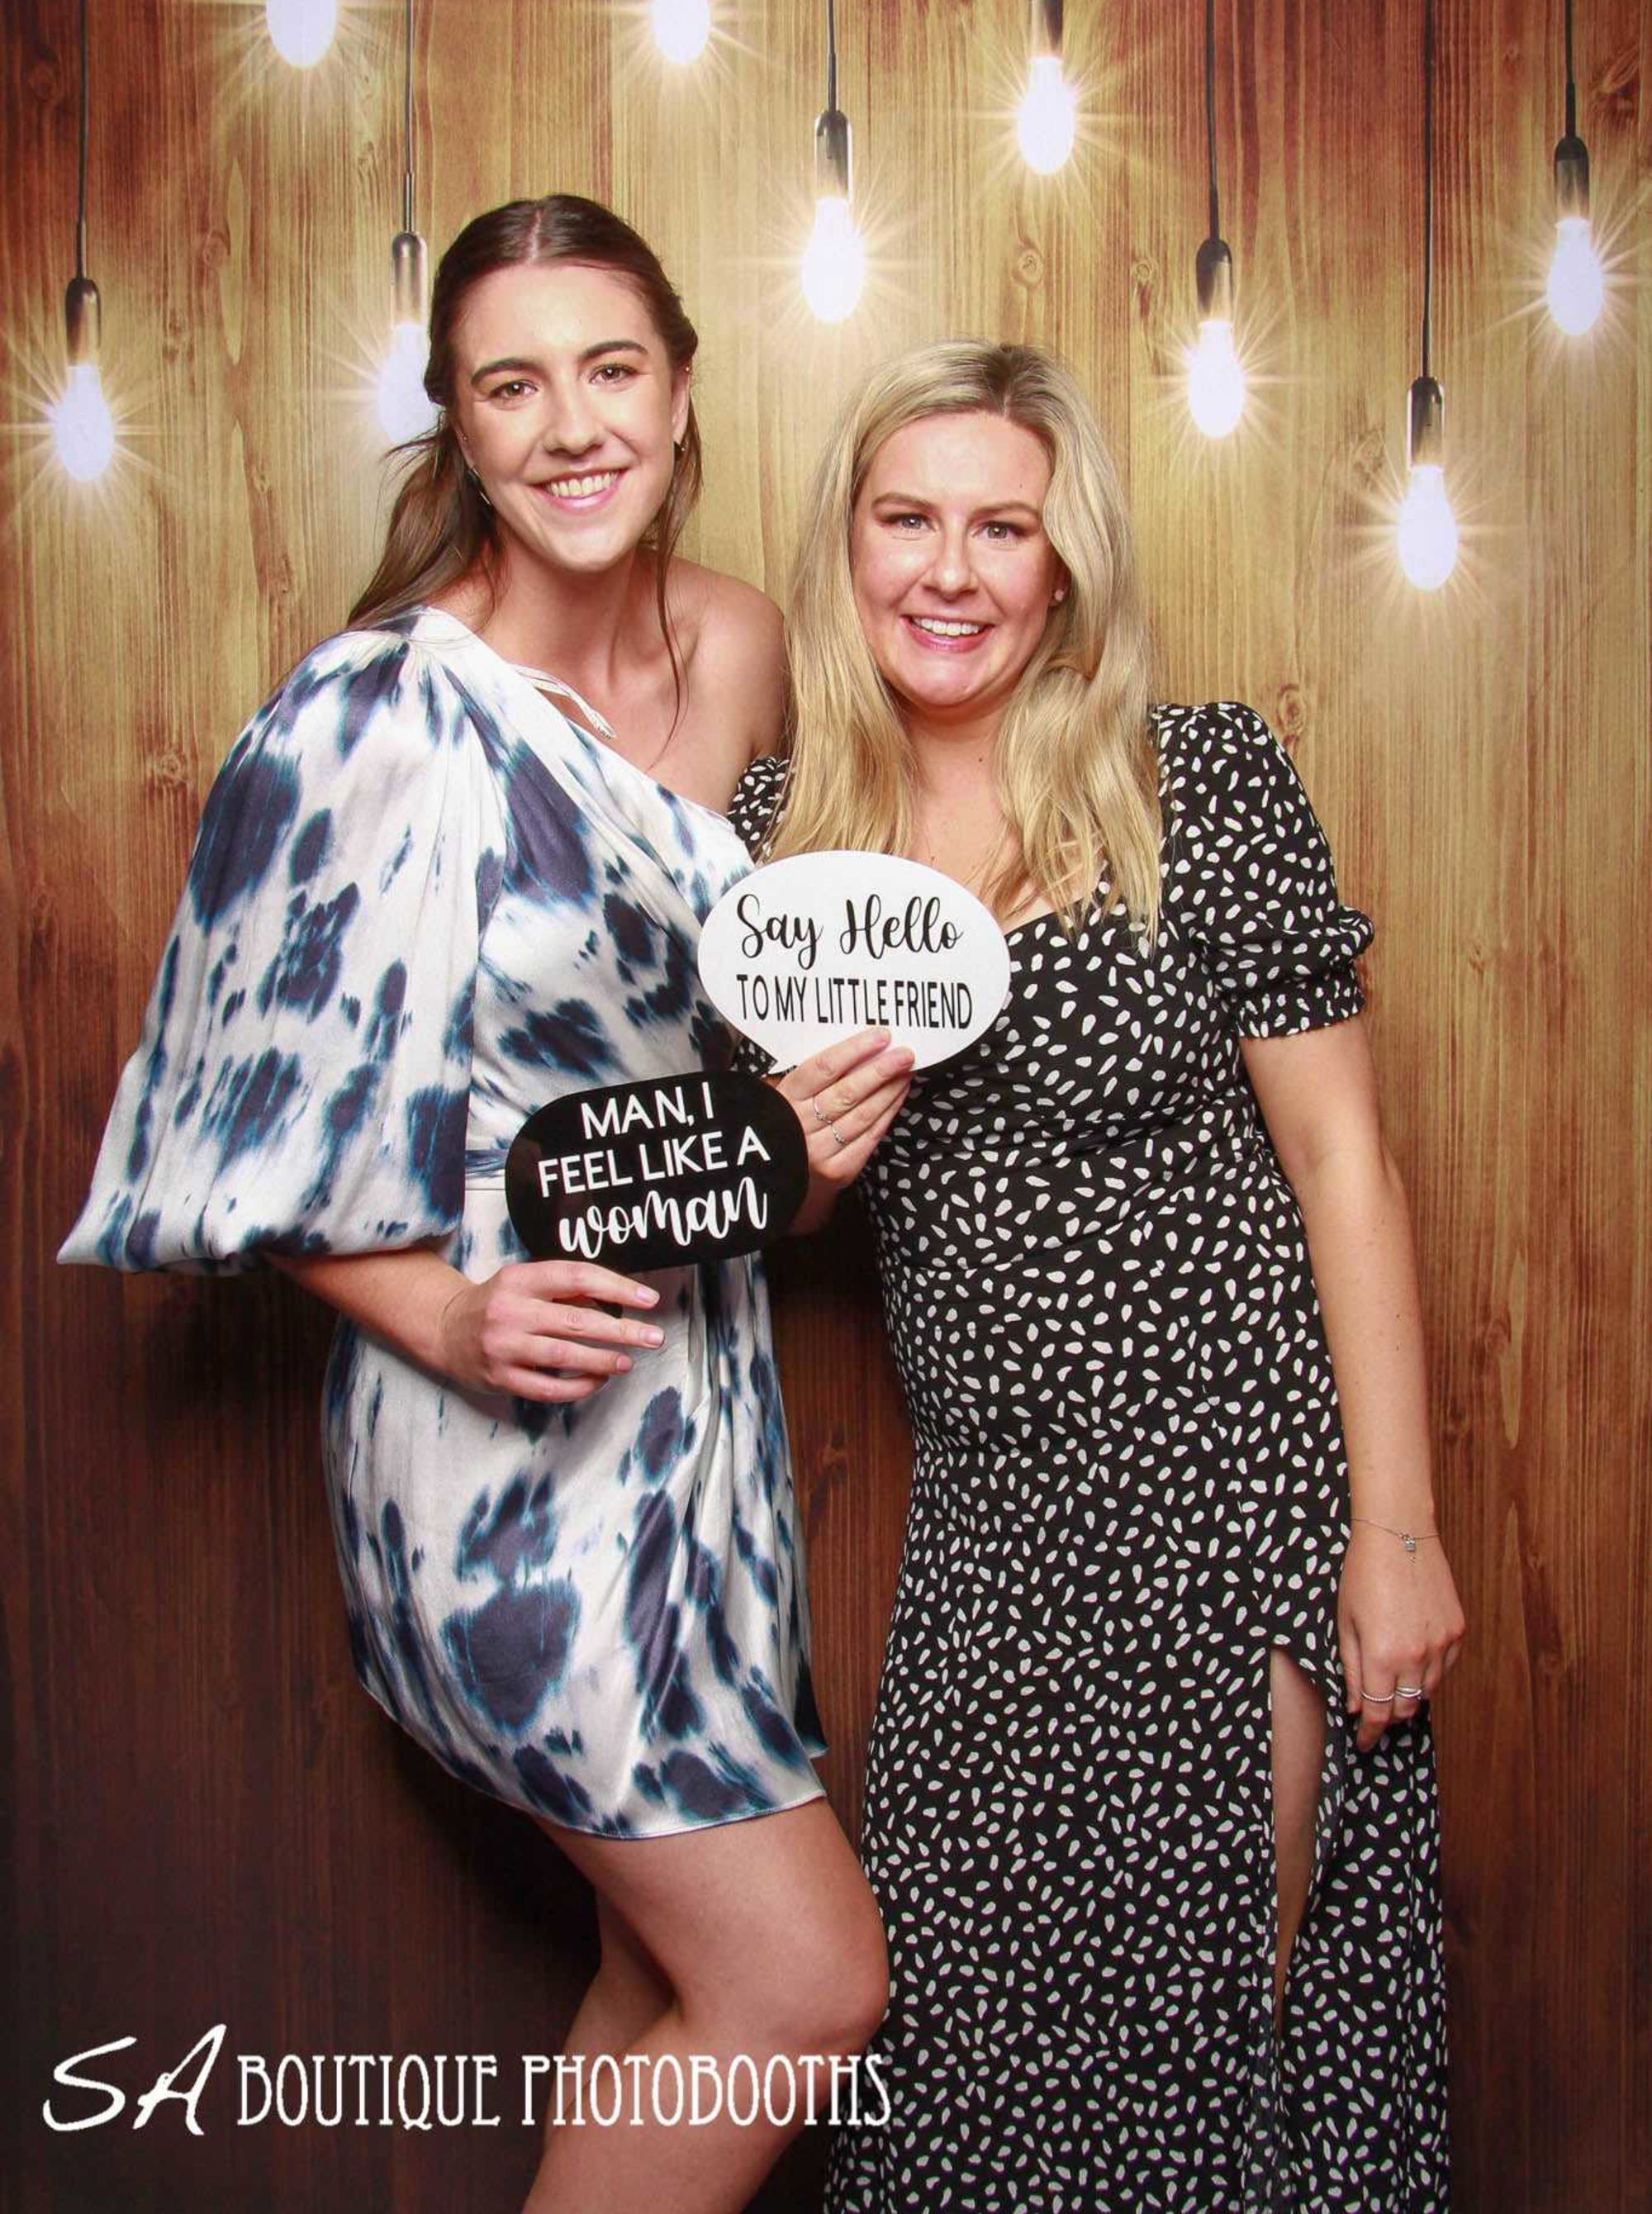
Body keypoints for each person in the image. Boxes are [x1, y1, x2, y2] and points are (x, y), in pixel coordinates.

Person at [58, 194, 904, 2214]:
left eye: (610, 369)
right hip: (489, 1441)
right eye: (512, 383)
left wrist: (792, 1141)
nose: (572, 424)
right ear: (456, 419)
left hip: (695, 1419)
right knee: (799, 1987)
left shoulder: (753, 651)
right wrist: (437, 1312)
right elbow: (216, 1113)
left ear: (682, 387)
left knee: (658, 1965)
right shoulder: (371, 713)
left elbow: (683, 1065)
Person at [729, 340, 1465, 2211]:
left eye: (1004, 524)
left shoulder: (1187, 779)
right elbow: (791, 1217)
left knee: (1203, 2040)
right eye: (907, 517)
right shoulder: (779, 838)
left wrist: (1394, 1533)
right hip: (991, 1534)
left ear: (1065, 567)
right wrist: (799, 1165)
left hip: (1228, 1504)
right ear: (848, 540)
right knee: (964, 2056)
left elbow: (1343, 1164)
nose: (950, 569)